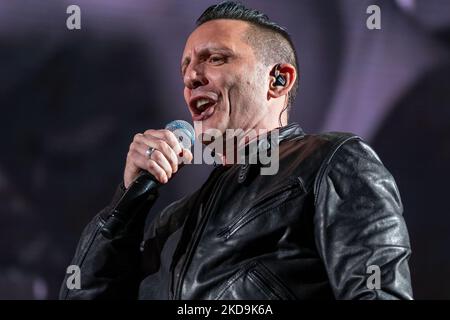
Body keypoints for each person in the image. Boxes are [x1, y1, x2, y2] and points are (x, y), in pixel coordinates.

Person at [60, 1, 413, 300]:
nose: (191, 76)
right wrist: (127, 204)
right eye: (185, 66)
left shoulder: (330, 162)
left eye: (214, 58)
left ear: (278, 80)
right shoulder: (173, 221)